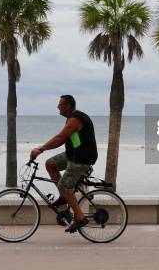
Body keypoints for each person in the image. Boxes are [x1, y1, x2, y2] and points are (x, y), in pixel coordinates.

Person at [29, 94, 98, 233]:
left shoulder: (75, 119)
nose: (58, 107)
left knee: (64, 186)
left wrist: (40, 149)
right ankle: (63, 197)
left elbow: (60, 137)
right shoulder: (70, 119)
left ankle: (80, 217)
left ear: (68, 106)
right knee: (50, 164)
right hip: (73, 155)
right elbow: (61, 140)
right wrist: (42, 149)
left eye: (60, 104)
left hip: (82, 158)